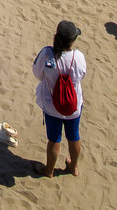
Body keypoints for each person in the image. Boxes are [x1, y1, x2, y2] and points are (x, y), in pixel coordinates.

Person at [31, 20, 86, 178]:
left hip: (51, 106)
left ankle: (49, 170)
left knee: (54, 139)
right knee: (73, 136)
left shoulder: (47, 54)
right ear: (72, 41)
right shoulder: (78, 57)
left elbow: (37, 74)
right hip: (73, 105)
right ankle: (73, 167)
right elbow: (81, 74)